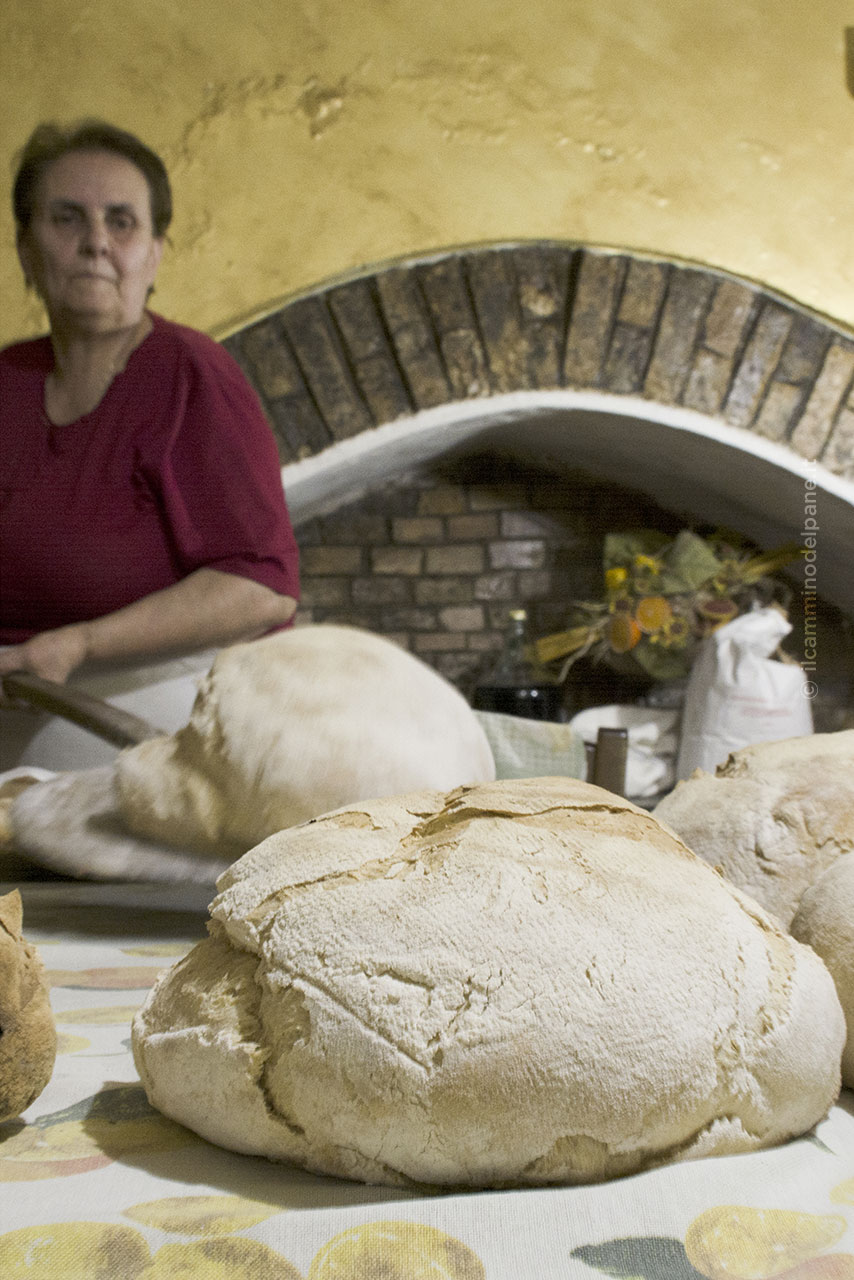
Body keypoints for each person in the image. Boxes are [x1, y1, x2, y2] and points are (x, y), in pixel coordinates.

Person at [0, 120, 300, 770]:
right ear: (26, 247)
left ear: (155, 253)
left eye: (122, 221)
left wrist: (78, 645)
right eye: (67, 218)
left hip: (156, 726)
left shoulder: (191, 375)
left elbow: (260, 587)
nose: (95, 243)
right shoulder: (7, 382)